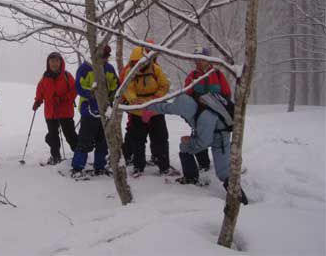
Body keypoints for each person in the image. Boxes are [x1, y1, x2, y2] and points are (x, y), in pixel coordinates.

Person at [141, 94, 248, 204]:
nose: (182, 117)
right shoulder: (188, 105)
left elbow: (203, 143)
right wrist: (148, 107)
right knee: (185, 147)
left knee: (223, 172)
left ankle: (240, 200)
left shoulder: (205, 117)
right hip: (205, 132)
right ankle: (190, 178)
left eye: (183, 115)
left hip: (219, 136)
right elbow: (168, 108)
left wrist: (189, 141)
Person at [122, 47, 177, 177]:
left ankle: (164, 166)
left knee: (160, 139)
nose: (137, 65)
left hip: (155, 110)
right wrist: (133, 99)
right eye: (134, 62)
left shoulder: (155, 69)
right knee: (138, 141)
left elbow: (164, 85)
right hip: (137, 111)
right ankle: (138, 167)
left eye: (139, 62)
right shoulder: (130, 72)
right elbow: (127, 88)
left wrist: (155, 98)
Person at [71, 45, 119, 178]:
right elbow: (79, 86)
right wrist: (92, 94)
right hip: (88, 108)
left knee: (102, 141)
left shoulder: (109, 68)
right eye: (103, 57)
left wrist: (112, 96)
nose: (105, 60)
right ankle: (77, 168)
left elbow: (116, 85)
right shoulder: (85, 68)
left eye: (106, 57)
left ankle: (100, 166)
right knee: (85, 139)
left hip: (104, 109)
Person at [185, 46, 232, 172]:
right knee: (200, 136)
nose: (199, 61)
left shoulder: (217, 74)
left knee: (219, 138)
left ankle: (225, 165)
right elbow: (186, 95)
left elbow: (227, 93)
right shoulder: (192, 76)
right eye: (196, 59)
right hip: (199, 113)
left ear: (208, 59)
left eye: (202, 59)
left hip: (218, 113)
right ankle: (203, 165)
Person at [32, 52, 78, 165]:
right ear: (48, 63)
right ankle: (55, 157)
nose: (54, 63)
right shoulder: (45, 78)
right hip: (50, 112)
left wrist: (62, 99)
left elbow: (74, 91)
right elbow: (40, 90)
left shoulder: (67, 76)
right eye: (52, 61)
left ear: (61, 62)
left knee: (70, 135)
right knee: (53, 136)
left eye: (57, 61)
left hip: (65, 112)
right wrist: (38, 100)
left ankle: (79, 154)